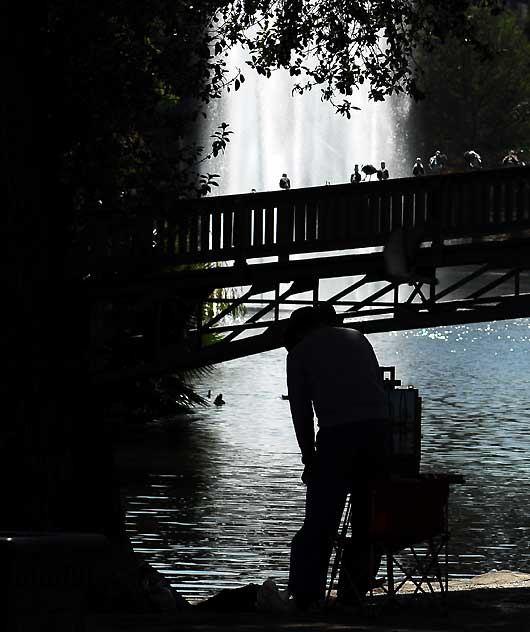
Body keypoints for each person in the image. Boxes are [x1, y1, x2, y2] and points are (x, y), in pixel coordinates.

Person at [284, 306, 391, 609]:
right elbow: (376, 387)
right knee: (366, 520)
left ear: (299, 332)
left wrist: (309, 457)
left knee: (321, 520)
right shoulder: (358, 338)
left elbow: (301, 413)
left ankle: (307, 594)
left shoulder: (300, 354)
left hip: (338, 435)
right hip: (378, 433)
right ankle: (352, 592)